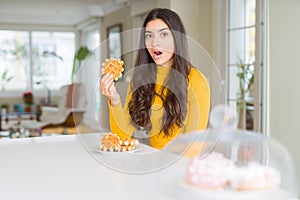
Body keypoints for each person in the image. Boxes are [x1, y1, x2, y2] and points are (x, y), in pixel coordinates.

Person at [100, 8, 210, 149]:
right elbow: (122, 137)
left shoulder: (197, 81)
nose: (155, 43)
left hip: (179, 166)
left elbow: (193, 147)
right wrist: (114, 99)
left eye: (163, 34)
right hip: (153, 161)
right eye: (149, 35)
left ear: (177, 38)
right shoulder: (141, 77)